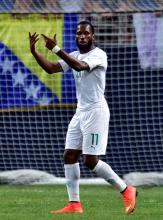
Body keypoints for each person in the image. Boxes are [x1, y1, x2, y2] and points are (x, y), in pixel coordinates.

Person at [29, 20, 137, 215]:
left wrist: (56, 49)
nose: (82, 36)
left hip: (96, 111)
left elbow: (79, 67)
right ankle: (74, 204)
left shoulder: (99, 55)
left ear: (93, 36)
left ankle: (127, 190)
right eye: (79, 33)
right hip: (81, 111)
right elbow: (52, 68)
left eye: (86, 33)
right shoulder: (74, 55)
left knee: (90, 160)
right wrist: (35, 52)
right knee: (69, 155)